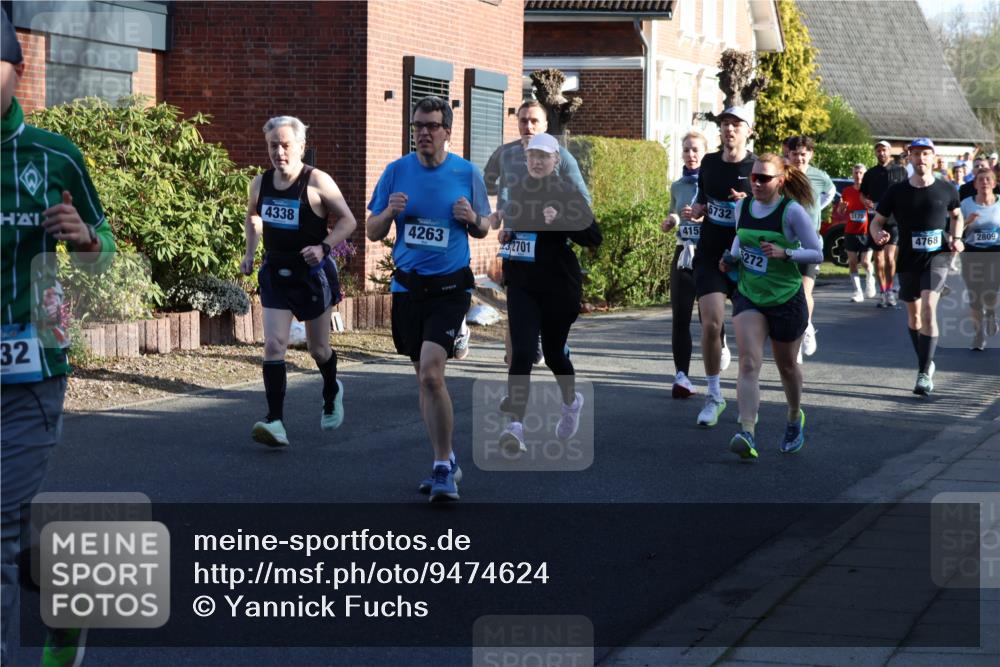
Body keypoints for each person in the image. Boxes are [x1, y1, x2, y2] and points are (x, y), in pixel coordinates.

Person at [1, 11, 117, 665]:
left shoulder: (54, 156)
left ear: (18, 70)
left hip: (29, 369)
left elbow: (107, 259)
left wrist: (85, 239)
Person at [366, 96, 491, 502]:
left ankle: (440, 467)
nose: (422, 132)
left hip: (451, 289)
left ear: (447, 132)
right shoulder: (396, 172)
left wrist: (471, 219)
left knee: (433, 374)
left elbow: (484, 226)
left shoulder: (466, 173)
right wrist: (388, 212)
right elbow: (370, 230)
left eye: (431, 126)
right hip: (408, 288)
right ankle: (449, 459)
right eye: (417, 125)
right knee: (423, 378)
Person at [241, 116, 357, 447]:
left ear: (301, 147)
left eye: (285, 145)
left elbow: (348, 221)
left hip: (312, 275)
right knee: (274, 344)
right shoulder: (260, 183)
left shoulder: (318, 181)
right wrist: (250, 253)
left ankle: (332, 387)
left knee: (318, 349)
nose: (279, 152)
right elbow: (253, 216)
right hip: (276, 272)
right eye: (272, 145)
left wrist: (323, 247)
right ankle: (274, 420)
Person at [493, 133, 602, 453]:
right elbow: (518, 227)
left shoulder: (566, 192)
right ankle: (515, 426)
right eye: (532, 156)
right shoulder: (519, 189)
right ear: (526, 159)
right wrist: (508, 232)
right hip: (523, 284)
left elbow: (594, 237)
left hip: (558, 286)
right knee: (523, 352)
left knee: (554, 354)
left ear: (556, 161)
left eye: (544, 156)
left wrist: (563, 220)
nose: (537, 161)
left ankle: (571, 402)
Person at [720, 154, 823, 460]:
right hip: (750, 294)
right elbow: (741, 240)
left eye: (764, 178)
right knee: (749, 363)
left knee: (787, 366)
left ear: (780, 180)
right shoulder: (742, 207)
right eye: (753, 177)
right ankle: (747, 431)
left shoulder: (791, 212)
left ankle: (794, 417)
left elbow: (817, 252)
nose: (757, 183)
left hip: (786, 298)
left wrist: (785, 253)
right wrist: (731, 258)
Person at [483, 100, 591, 365]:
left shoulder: (561, 157)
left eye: (534, 121)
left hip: (548, 247)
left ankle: (549, 347)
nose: (528, 126)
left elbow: (583, 201)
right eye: (523, 120)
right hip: (515, 242)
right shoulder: (505, 153)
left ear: (545, 125)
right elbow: (487, 181)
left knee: (545, 324)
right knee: (516, 309)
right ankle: (517, 364)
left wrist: (558, 215)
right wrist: (499, 213)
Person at [870, 138, 963, 395]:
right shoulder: (897, 192)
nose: (921, 158)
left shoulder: (947, 189)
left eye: (926, 154)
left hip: (938, 258)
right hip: (909, 259)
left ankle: (923, 373)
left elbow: (957, 216)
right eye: (916, 154)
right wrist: (877, 234)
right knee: (914, 317)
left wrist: (956, 238)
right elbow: (877, 221)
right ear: (909, 157)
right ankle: (926, 360)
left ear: (933, 158)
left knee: (929, 307)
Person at [687, 107, 751, 427]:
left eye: (736, 125)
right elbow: (704, 200)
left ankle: (748, 397)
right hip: (711, 255)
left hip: (747, 261)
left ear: (747, 131)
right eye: (725, 124)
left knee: (746, 334)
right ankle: (714, 396)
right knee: (711, 323)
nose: (729, 130)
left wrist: (746, 206)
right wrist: (697, 209)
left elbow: (769, 212)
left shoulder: (757, 169)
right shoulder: (710, 163)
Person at [660, 131, 729, 397]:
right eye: (686, 150)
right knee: (680, 315)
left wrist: (703, 218)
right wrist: (671, 221)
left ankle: (720, 343)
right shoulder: (678, 186)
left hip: (709, 253)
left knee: (709, 317)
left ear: (705, 152)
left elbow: (724, 215)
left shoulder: (714, 181)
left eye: (696, 150)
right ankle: (682, 376)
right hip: (683, 252)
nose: (691, 155)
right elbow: (675, 212)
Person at [783, 136, 834, 360]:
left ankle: (806, 328)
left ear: (810, 155)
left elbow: (830, 192)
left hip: (811, 242)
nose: (799, 158)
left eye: (804, 154)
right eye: (795, 154)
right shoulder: (782, 175)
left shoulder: (819, 176)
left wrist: (817, 208)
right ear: (788, 155)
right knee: (788, 294)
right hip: (786, 242)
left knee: (804, 292)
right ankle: (795, 335)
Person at [861, 140, 907, 308]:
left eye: (884, 150)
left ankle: (890, 290)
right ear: (876, 153)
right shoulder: (870, 173)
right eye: (878, 150)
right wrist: (865, 201)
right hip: (876, 221)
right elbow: (862, 194)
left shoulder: (900, 171)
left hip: (894, 219)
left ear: (889, 151)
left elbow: (908, 190)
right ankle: (883, 291)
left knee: (889, 258)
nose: (881, 153)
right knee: (879, 259)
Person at [959, 167, 1000, 350]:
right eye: (980, 180)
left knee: (989, 290)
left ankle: (990, 312)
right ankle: (978, 335)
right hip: (971, 253)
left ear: (994, 183)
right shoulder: (966, 204)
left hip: (995, 253)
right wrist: (967, 222)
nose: (984, 182)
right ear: (974, 184)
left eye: (988, 179)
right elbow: (955, 231)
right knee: (974, 296)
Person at [837, 163, 877, 302]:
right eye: (855, 172)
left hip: (867, 232)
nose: (858, 175)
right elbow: (841, 211)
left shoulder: (871, 191)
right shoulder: (847, 191)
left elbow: (877, 210)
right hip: (850, 231)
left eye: (861, 173)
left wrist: (871, 206)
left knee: (865, 262)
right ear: (852, 174)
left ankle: (870, 279)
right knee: (853, 262)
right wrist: (841, 208)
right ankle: (857, 291)